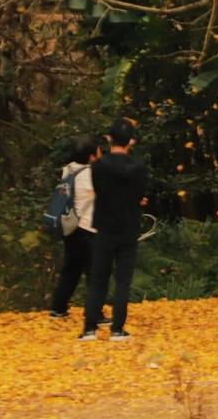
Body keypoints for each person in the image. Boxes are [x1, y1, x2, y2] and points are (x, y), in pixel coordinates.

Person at [79, 119, 148, 341]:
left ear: (109, 139)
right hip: (128, 227)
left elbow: (99, 189)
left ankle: (89, 328)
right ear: (131, 141)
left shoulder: (98, 166)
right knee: (123, 281)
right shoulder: (139, 167)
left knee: (98, 278)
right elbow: (140, 195)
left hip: (104, 227)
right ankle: (117, 329)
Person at [49, 135, 111, 325]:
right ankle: (95, 314)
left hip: (71, 227)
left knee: (71, 269)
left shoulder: (69, 170)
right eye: (99, 151)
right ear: (92, 156)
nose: (101, 153)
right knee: (96, 273)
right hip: (87, 229)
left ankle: (58, 307)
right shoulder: (90, 174)